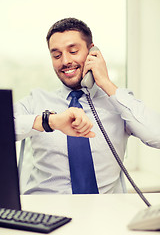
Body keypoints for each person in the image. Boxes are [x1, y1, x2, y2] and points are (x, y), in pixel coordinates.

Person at [14, 17, 160, 195]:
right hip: (46, 211)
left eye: (73, 51)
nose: (65, 61)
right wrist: (49, 122)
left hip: (103, 213)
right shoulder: (36, 100)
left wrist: (105, 83)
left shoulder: (118, 101)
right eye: (57, 55)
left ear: (92, 52)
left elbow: (156, 135)